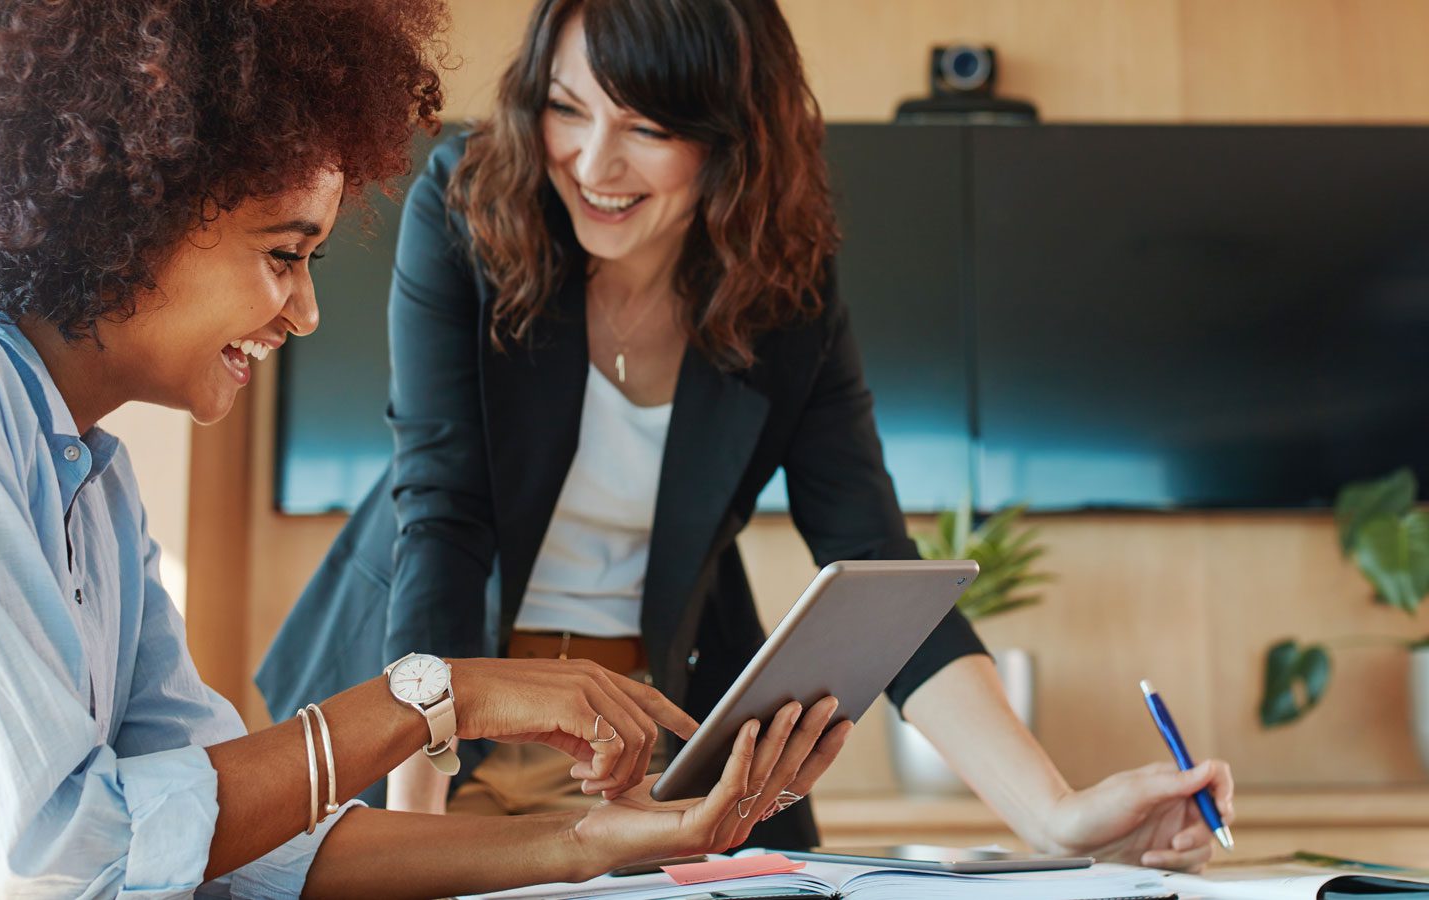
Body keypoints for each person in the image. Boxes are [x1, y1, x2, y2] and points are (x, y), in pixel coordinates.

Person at [0, 1, 849, 897]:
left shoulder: (95, 484)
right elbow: (49, 864)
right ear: (128, 209)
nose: (306, 311)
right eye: (285, 255)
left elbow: (233, 847)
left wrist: (588, 842)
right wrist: (438, 695)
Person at [259, 0, 1236, 871]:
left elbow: (872, 560)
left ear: (730, 137)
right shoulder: (469, 205)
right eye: (567, 107)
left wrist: (1057, 816)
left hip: (642, 749)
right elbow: (444, 513)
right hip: (425, 726)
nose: (593, 162)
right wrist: (414, 832)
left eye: (645, 126)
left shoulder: (783, 291)